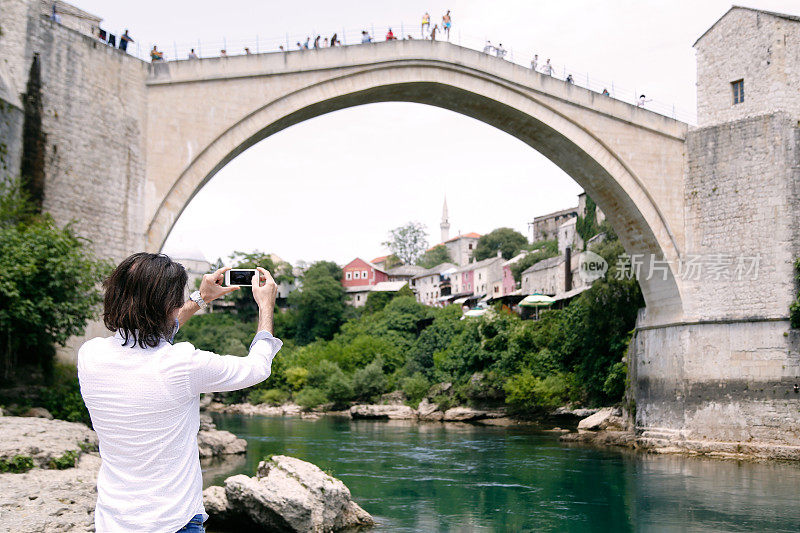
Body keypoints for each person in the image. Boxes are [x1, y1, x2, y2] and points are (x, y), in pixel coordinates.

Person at [78, 253, 281, 532]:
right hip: (172, 523)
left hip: (113, 521)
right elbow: (258, 367)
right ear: (168, 306)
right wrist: (266, 306)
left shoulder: (90, 354)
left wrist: (201, 298)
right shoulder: (183, 364)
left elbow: (149, 336)